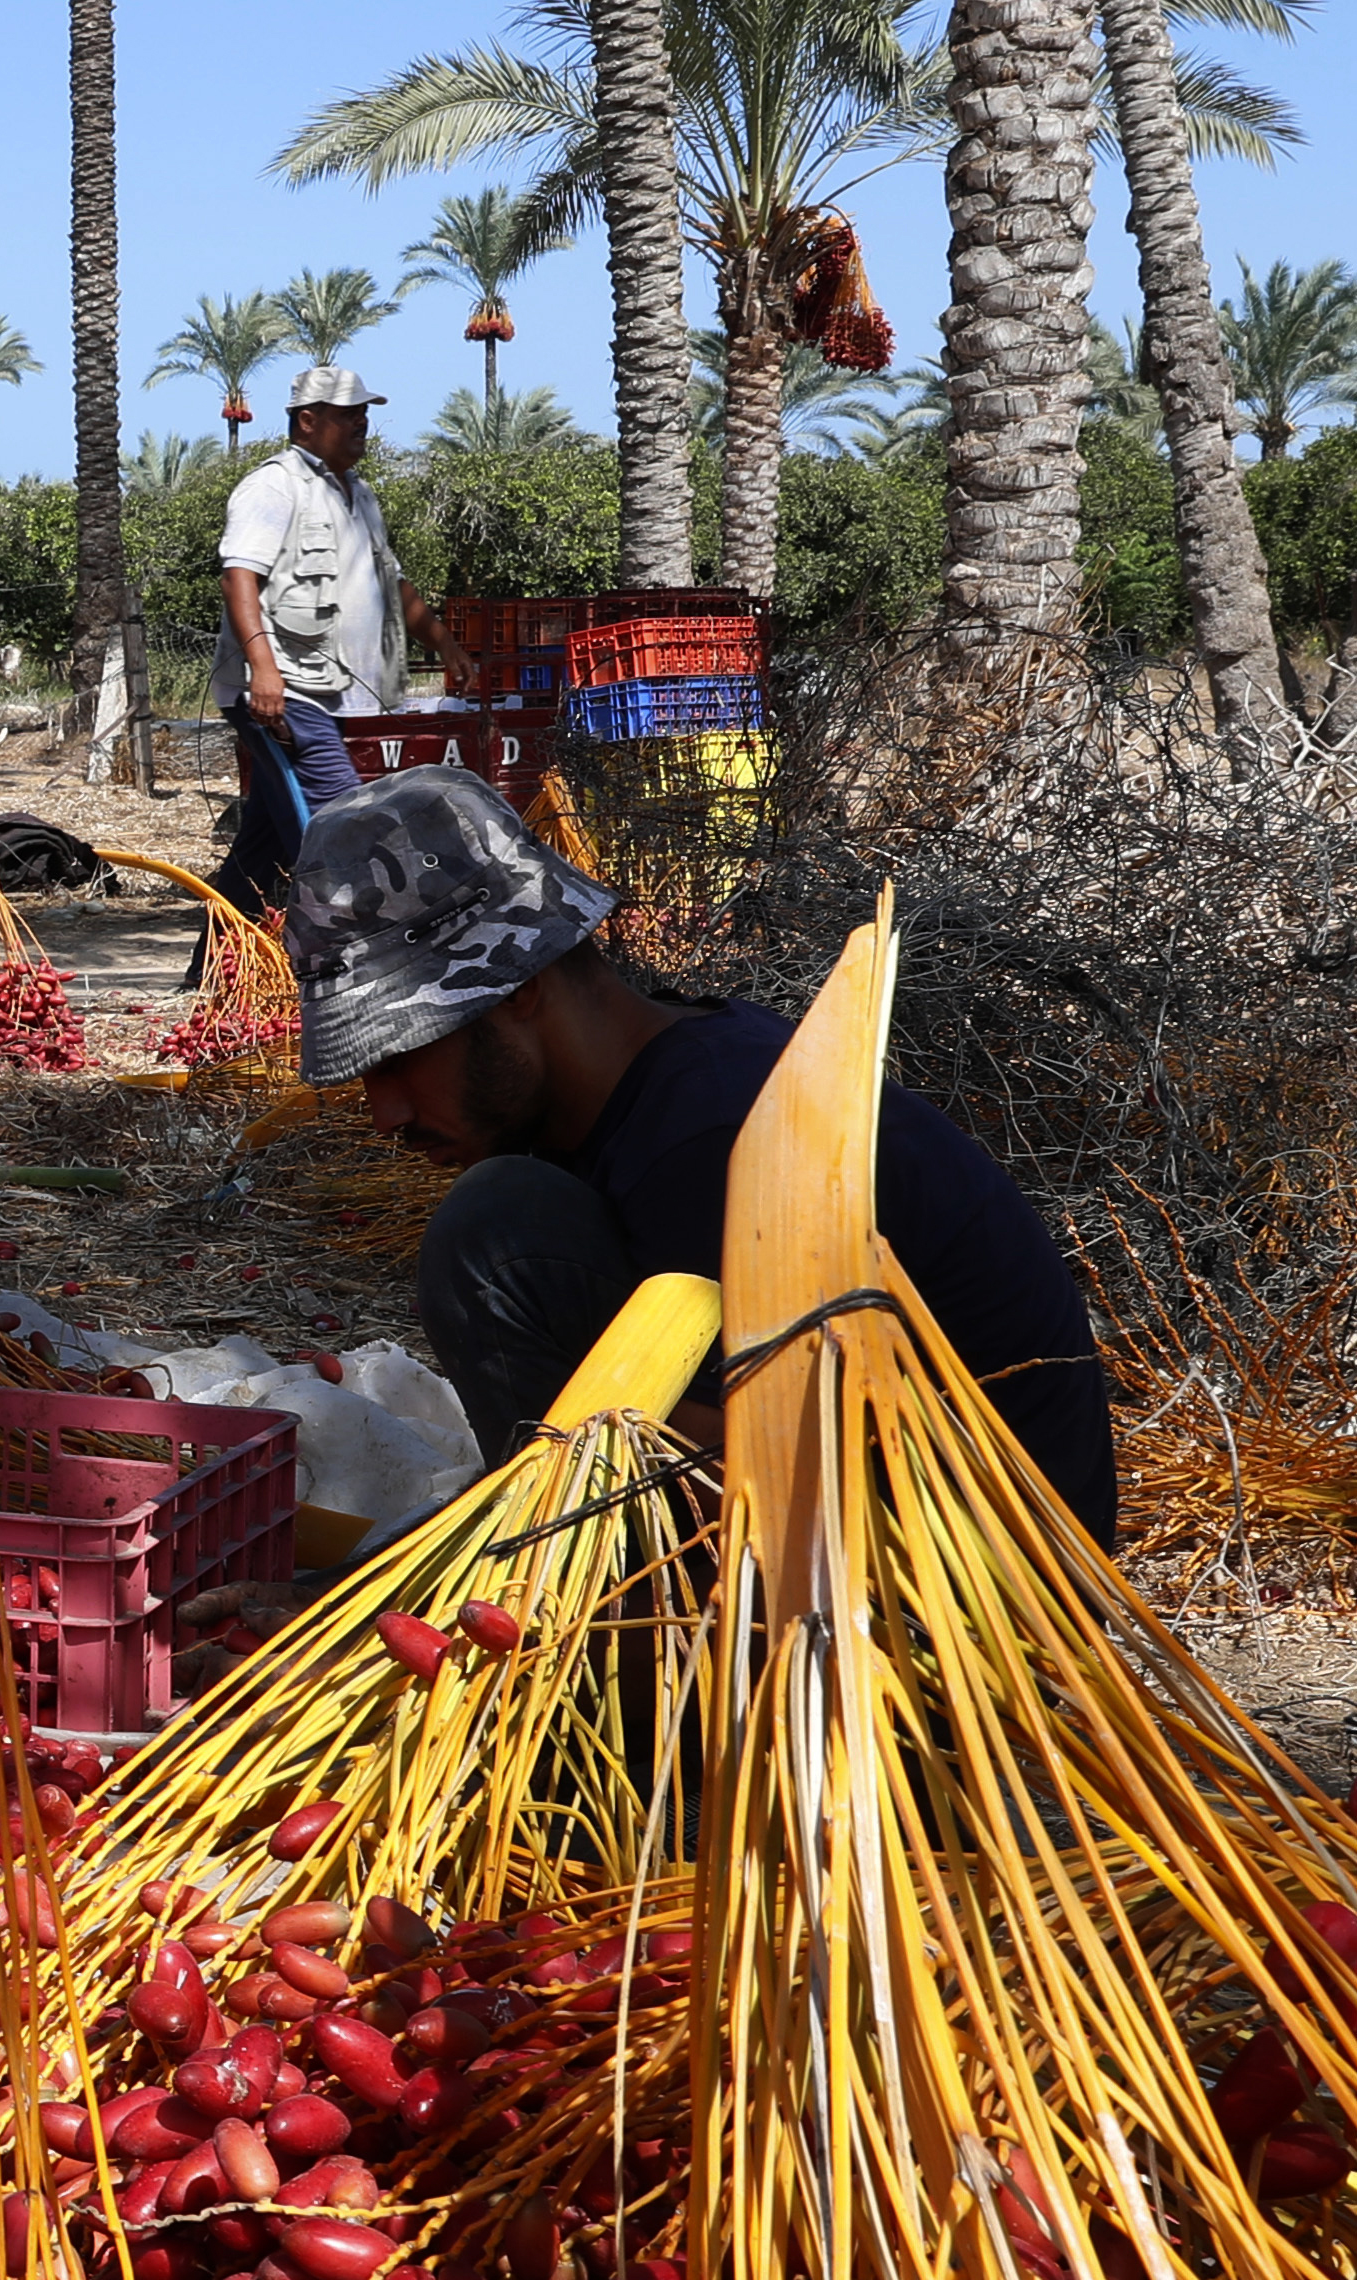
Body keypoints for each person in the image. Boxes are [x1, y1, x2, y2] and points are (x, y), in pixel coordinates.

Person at [294, 766, 1116, 1539]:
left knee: (491, 1238)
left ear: (517, 986)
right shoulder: (678, 1080)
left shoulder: (714, 1140)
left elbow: (748, 1481)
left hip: (949, 1613)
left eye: (401, 1057)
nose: (384, 1115)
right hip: (871, 1541)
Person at [203, 365, 445, 946]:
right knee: (338, 824)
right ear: (308, 421)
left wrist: (447, 646)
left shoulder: (358, 495)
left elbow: (394, 585)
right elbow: (238, 577)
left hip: (334, 693)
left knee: (265, 835)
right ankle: (358, 953)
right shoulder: (272, 486)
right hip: (284, 690)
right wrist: (263, 669)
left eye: (365, 412)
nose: (362, 423)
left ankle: (210, 966)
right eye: (348, 414)